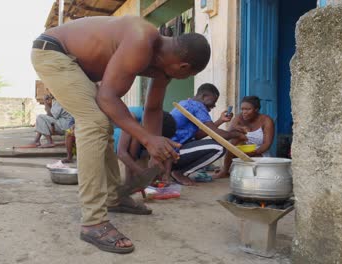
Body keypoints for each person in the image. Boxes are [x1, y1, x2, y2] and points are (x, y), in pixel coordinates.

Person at [31, 16, 211, 253]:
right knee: (94, 122)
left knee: (102, 123)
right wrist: (148, 138)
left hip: (77, 64)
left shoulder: (163, 68)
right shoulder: (141, 40)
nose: (183, 79)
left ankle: (113, 197)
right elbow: (108, 97)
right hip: (53, 51)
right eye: (186, 76)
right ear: (183, 67)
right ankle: (93, 222)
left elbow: (153, 109)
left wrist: (155, 151)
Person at [169, 83, 247, 186]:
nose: (213, 106)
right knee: (219, 147)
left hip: (172, 151)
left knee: (213, 144)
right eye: (213, 102)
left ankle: (177, 170)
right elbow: (218, 135)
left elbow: (198, 135)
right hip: (173, 152)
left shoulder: (187, 103)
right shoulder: (197, 106)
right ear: (204, 96)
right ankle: (180, 172)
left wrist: (220, 120)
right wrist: (237, 134)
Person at [214, 96, 275, 179]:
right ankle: (225, 170)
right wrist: (237, 127)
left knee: (254, 175)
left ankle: (234, 169)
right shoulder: (239, 118)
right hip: (241, 152)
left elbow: (267, 144)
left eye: (248, 109)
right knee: (235, 139)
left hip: (259, 153)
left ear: (256, 109)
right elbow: (228, 135)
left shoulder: (266, 120)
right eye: (242, 109)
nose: (244, 112)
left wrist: (252, 153)